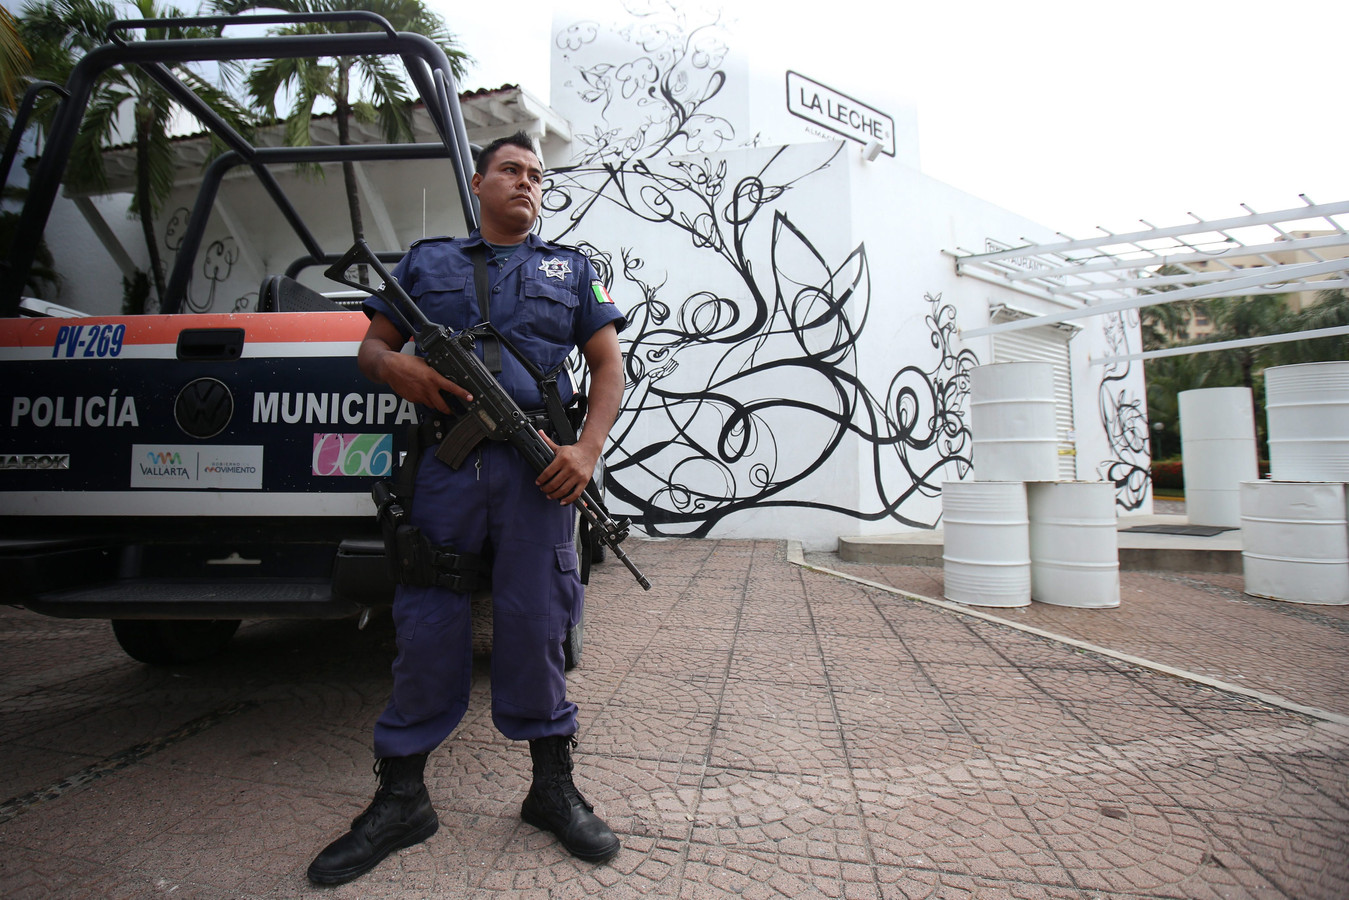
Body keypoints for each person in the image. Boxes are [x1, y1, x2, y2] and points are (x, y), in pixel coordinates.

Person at [308, 131, 628, 886]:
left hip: (539, 473)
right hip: (445, 469)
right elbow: (371, 348)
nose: (527, 183)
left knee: (538, 621)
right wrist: (395, 366)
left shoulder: (573, 269)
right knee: (426, 621)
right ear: (479, 183)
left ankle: (550, 789)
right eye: (512, 171)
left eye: (538, 176)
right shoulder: (427, 263)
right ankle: (401, 799)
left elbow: (608, 364)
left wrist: (584, 453)